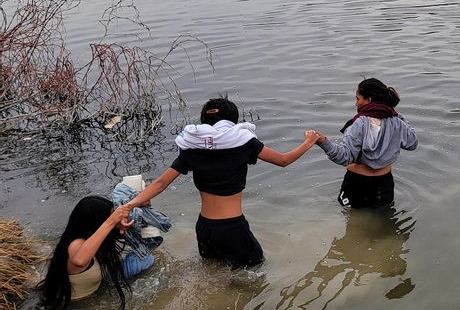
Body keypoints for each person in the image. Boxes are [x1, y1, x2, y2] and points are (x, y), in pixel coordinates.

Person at [124, 97, 320, 268]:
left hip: (204, 228)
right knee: (256, 279)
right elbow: (283, 160)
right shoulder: (244, 142)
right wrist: (308, 142)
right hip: (232, 228)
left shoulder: (191, 146)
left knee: (211, 274)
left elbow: (160, 183)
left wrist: (129, 205)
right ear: (232, 120)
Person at [314, 78, 418, 208]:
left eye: (358, 99)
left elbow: (345, 157)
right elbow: (412, 143)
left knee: (354, 224)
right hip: (384, 184)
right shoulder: (396, 122)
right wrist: (398, 116)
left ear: (368, 100)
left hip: (357, 183)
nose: (356, 104)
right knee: (383, 223)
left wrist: (323, 142)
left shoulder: (359, 123)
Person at [40, 197, 150, 309]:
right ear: (97, 223)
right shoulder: (75, 245)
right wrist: (110, 222)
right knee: (146, 260)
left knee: (146, 258)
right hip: (75, 305)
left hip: (94, 287)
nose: (116, 221)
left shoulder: (86, 236)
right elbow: (79, 261)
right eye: (109, 218)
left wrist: (137, 205)